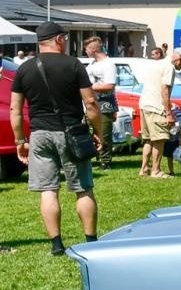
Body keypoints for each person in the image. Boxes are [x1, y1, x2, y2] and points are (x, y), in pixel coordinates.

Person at [9, 22, 103, 255]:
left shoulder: (24, 69)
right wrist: (99, 132)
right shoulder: (73, 65)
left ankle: (56, 244)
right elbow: (91, 103)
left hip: (39, 135)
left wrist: (20, 141)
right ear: (59, 39)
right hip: (71, 132)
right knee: (83, 189)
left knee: (48, 190)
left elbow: (15, 110)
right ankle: (91, 241)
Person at [139, 47, 181, 177]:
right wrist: (169, 113)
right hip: (156, 106)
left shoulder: (156, 63)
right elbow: (165, 90)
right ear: (178, 58)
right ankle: (156, 170)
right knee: (159, 139)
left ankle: (144, 169)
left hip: (144, 104)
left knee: (148, 139)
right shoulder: (169, 67)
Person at [84, 35, 118, 170]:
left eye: (86, 49)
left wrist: (87, 88)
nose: (85, 52)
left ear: (93, 50)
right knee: (91, 132)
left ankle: (106, 161)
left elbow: (109, 86)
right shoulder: (92, 64)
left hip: (104, 103)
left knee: (104, 133)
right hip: (91, 103)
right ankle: (94, 157)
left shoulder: (108, 64)